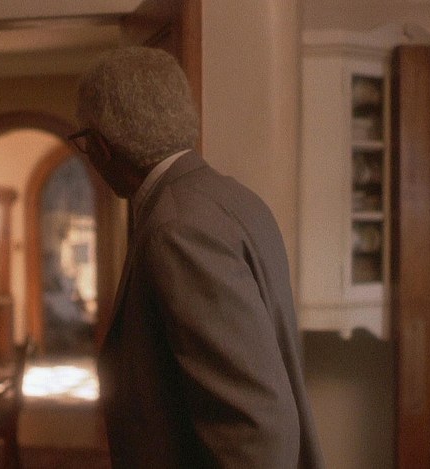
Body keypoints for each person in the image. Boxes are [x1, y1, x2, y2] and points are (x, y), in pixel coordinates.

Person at [69, 46, 324, 468]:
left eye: (84, 142)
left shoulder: (176, 227)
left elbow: (253, 428)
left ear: (101, 146)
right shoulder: (234, 198)